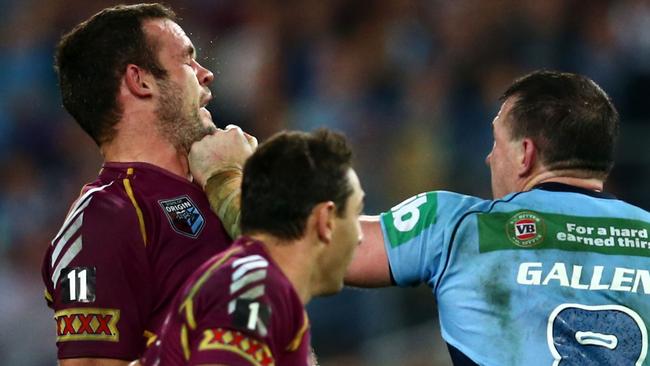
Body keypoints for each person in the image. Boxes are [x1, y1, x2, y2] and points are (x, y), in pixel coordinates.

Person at [194, 71, 650, 365]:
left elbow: (304, 246)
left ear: (526, 153)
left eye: (497, 141)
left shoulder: (456, 226)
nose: (490, 158)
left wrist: (225, 174)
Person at [41, 4, 255, 365]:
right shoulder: (104, 217)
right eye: (188, 60)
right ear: (140, 81)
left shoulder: (219, 188)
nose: (207, 74)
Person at [138, 129, 364, 365]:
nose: (359, 236)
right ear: (325, 221)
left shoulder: (257, 282)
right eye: (355, 213)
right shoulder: (255, 288)